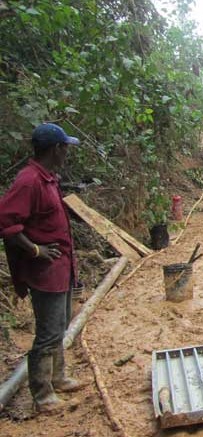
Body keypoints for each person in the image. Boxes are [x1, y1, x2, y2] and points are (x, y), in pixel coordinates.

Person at [0, 123, 87, 413]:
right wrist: (35, 250)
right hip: (45, 271)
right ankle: (42, 392)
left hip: (62, 266)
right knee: (48, 332)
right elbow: (8, 225)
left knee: (60, 325)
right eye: (65, 148)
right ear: (55, 149)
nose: (67, 153)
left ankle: (58, 377)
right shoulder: (29, 181)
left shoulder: (47, 178)